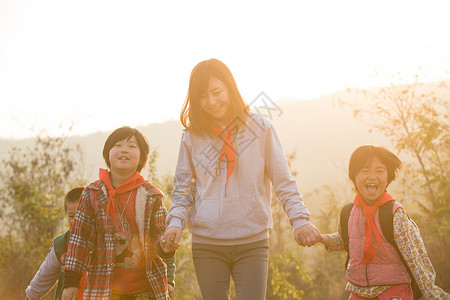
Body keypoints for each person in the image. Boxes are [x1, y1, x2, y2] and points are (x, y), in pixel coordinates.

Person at [163, 58, 321, 300]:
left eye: (217, 92)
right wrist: (175, 223)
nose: (212, 101)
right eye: (203, 96)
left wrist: (299, 220)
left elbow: (283, 181)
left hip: (252, 241)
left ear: (230, 88)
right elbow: (184, 189)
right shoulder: (192, 137)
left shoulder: (260, 128)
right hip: (207, 244)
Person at [320, 145, 449, 300]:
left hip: (394, 292)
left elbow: (415, 258)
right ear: (354, 176)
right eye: (365, 171)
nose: (372, 176)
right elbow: (345, 240)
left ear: (388, 177)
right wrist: (322, 239)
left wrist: (433, 294)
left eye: (380, 171)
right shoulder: (348, 213)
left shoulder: (394, 214)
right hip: (358, 292)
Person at [61, 126, 177, 300]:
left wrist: (166, 246)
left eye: (132, 146)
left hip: (147, 289)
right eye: (118, 145)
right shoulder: (92, 193)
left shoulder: (152, 196)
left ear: (141, 157)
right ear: (108, 154)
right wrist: (71, 283)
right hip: (103, 289)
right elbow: (80, 239)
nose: (124, 149)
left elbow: (160, 234)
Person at [25, 187, 84, 300]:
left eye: (82, 214)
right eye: (72, 216)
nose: (77, 220)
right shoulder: (61, 245)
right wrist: (31, 296)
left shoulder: (104, 241)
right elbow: (44, 277)